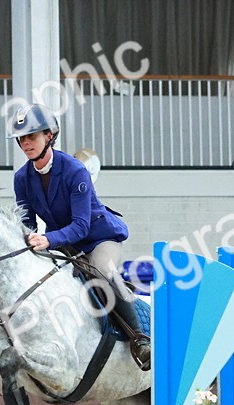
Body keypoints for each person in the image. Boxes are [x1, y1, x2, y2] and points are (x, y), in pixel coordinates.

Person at [8, 104, 150, 370]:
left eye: (32, 136)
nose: (25, 143)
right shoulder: (21, 178)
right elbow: (27, 222)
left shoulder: (75, 171)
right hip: (66, 243)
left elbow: (82, 226)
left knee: (101, 271)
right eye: (21, 138)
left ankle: (140, 337)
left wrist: (47, 239)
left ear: (49, 135)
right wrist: (26, 238)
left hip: (98, 238)